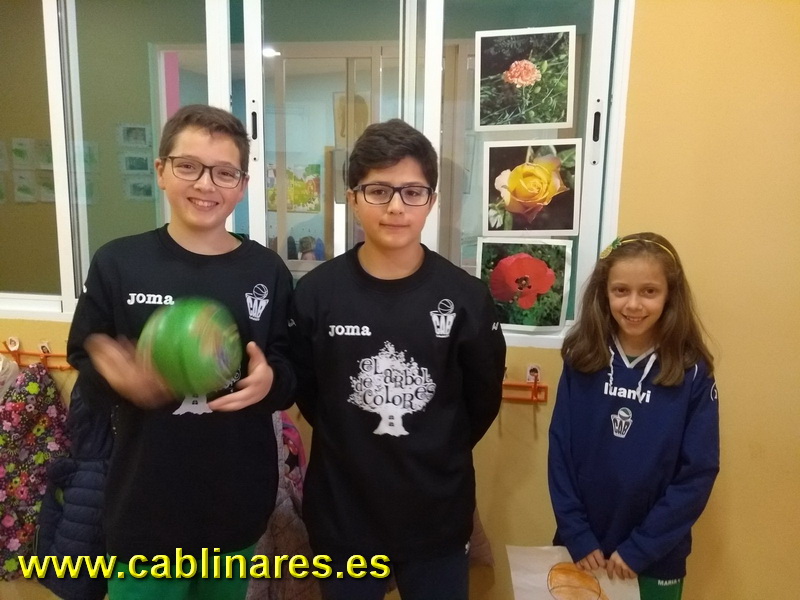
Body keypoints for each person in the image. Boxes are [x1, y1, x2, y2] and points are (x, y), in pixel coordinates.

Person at [66, 104, 296, 600]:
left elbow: (287, 366)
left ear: (242, 184)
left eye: (224, 172)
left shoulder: (267, 270)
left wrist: (270, 380)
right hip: (146, 504)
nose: (205, 184)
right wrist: (119, 379)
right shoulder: (118, 262)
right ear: (161, 171)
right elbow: (85, 357)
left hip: (234, 503)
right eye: (188, 166)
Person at [288, 118, 506, 600]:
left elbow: (482, 400)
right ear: (353, 198)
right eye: (378, 190)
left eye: (412, 192)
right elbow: (310, 392)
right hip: (344, 516)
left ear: (432, 200)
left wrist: (433, 443)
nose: (395, 207)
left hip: (437, 516)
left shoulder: (465, 297)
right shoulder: (317, 294)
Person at [547, 232, 719, 600]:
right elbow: (560, 451)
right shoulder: (581, 359)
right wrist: (576, 533)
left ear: (670, 294)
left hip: (654, 558)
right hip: (582, 550)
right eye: (621, 290)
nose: (634, 304)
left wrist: (641, 547)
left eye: (649, 291)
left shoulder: (692, 372)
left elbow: (698, 473)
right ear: (604, 293)